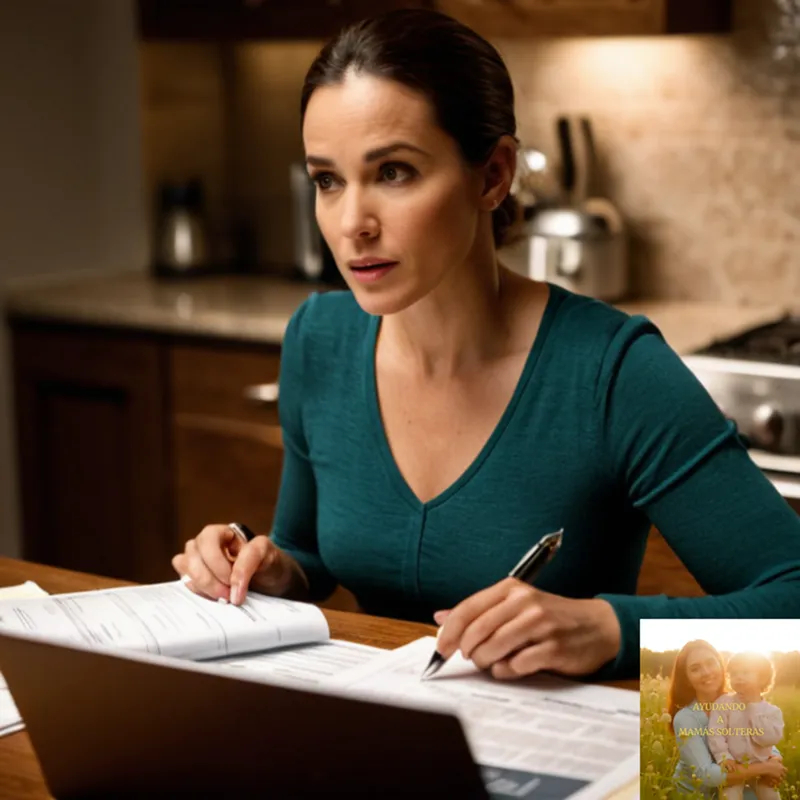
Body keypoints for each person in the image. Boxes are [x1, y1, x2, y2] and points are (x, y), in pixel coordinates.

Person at [171, 8, 800, 681]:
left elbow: (790, 594)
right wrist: (266, 569)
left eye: (394, 173)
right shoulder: (318, 340)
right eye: (328, 180)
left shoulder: (612, 370)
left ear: (493, 175)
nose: (352, 222)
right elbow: (311, 557)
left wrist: (611, 628)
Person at [668, 641, 786, 799]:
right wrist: (764, 768)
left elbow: (759, 738)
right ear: (687, 679)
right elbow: (707, 774)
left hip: (736, 782)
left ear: (721, 666)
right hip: (698, 793)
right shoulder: (685, 718)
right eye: (695, 669)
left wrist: (775, 760)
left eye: (711, 663)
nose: (706, 672)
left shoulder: (739, 700)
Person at [707, 651, 785, 800]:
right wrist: (724, 757)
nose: (739, 677)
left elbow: (768, 739)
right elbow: (715, 732)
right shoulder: (724, 703)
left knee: (771, 796)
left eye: (745, 672)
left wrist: (754, 707)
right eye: (734, 673)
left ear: (762, 678)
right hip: (734, 766)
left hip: (761, 769)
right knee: (729, 796)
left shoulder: (772, 712)